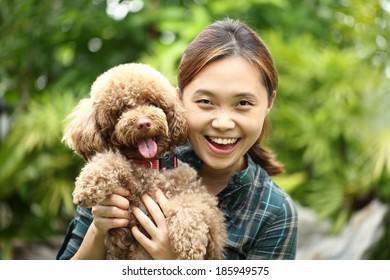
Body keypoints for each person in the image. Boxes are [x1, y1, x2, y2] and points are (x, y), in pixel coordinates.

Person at [57, 18, 298, 260]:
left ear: (269, 102)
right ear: (178, 99)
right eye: (206, 102)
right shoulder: (126, 161)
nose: (223, 123)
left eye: (243, 103)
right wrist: (98, 231)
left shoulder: (273, 212)